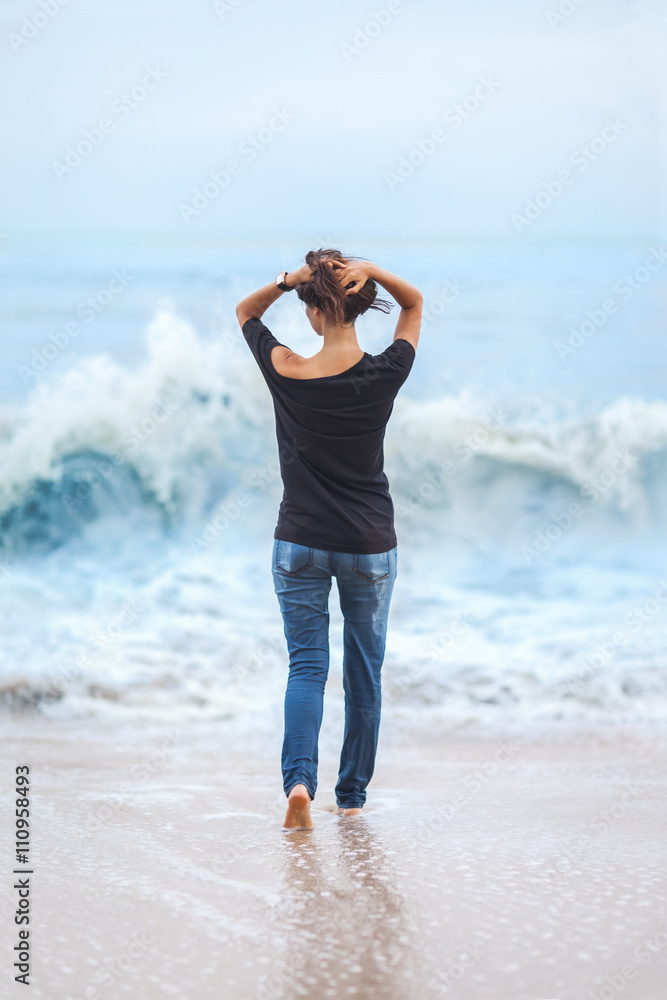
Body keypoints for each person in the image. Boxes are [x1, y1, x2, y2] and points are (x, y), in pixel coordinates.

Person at [235, 249, 422, 829]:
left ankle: (298, 783)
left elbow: (245, 310)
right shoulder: (385, 371)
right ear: (359, 305)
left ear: (313, 309)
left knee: (306, 667)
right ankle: (353, 797)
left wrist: (287, 280)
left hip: (298, 544)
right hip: (368, 544)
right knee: (363, 670)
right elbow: (414, 303)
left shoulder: (284, 367)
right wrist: (374, 269)